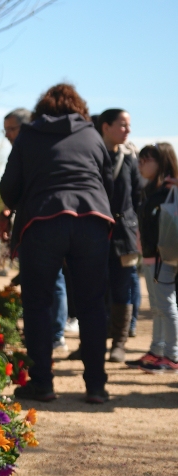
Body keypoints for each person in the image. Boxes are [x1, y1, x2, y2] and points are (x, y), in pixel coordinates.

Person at [0, 83, 114, 404]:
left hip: (43, 222)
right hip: (91, 221)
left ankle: (43, 384)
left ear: (41, 109)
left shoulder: (29, 135)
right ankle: (96, 386)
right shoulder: (91, 135)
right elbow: (108, 184)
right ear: (79, 106)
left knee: (37, 304)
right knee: (92, 305)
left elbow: (9, 189)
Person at [0, 108, 72, 352]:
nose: (8, 134)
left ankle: (56, 333)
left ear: (26, 127)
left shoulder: (35, 148)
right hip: (32, 221)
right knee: (42, 282)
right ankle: (45, 334)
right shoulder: (26, 147)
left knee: (56, 280)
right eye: (6, 130)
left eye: (12, 129)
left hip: (46, 222)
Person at [128, 143, 178, 373]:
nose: (140, 164)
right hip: (150, 255)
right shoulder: (151, 189)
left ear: (161, 162)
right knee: (158, 306)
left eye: (145, 160)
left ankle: (172, 355)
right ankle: (158, 350)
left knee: (166, 305)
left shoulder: (170, 189)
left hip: (164, 256)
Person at [99, 109, 144, 362]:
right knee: (92, 289)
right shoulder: (92, 156)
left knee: (122, 289)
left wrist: (135, 228)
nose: (127, 130)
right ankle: (90, 343)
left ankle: (119, 344)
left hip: (124, 235)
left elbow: (138, 198)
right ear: (106, 126)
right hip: (96, 233)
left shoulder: (129, 160)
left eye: (129, 125)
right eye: (122, 125)